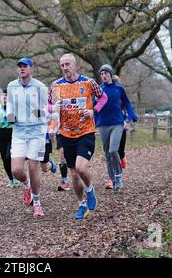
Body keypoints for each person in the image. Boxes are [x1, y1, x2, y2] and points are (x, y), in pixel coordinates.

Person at [48, 53, 108, 220]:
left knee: (81, 168)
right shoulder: (55, 86)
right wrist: (53, 108)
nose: (65, 68)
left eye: (68, 64)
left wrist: (94, 110)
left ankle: (89, 190)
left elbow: (103, 97)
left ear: (75, 65)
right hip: (66, 133)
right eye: (62, 65)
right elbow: (48, 104)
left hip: (85, 132)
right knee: (74, 174)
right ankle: (81, 204)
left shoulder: (88, 82)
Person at [7, 57, 48, 217]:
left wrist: (40, 113)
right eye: (19, 67)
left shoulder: (40, 87)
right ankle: (27, 185)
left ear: (32, 69)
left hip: (37, 133)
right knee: (16, 170)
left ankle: (37, 203)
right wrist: (10, 114)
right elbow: (10, 104)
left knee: (33, 168)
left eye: (25, 66)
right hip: (19, 133)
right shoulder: (12, 86)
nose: (22, 69)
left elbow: (48, 109)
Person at [97, 65, 138, 194]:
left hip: (117, 123)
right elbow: (94, 106)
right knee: (107, 154)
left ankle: (119, 175)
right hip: (103, 124)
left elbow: (127, 103)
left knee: (114, 150)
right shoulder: (99, 90)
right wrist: (93, 120)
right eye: (101, 74)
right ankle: (113, 179)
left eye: (106, 73)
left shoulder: (119, 88)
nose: (104, 76)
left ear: (110, 74)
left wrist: (131, 116)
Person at [0, 89, 20, 188]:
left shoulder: (13, 108)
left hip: (12, 133)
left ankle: (16, 176)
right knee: (4, 159)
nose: (5, 98)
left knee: (8, 156)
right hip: (1, 134)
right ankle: (11, 179)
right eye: (3, 96)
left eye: (7, 96)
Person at [112, 75, 129, 171]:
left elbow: (127, 110)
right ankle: (114, 175)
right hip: (110, 126)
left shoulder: (122, 95)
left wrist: (126, 120)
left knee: (120, 151)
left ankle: (122, 156)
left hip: (121, 126)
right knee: (112, 151)